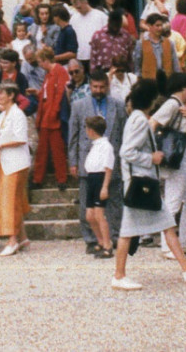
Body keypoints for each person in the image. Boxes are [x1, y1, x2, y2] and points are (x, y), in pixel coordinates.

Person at [111, 80, 186, 290]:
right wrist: (152, 157)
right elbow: (127, 152)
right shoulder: (139, 120)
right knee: (131, 230)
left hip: (141, 183)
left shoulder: (137, 118)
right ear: (151, 100)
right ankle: (119, 275)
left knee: (166, 224)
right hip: (140, 183)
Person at [151, 72, 186, 258]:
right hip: (176, 158)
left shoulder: (181, 106)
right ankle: (168, 246)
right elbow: (152, 123)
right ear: (184, 88)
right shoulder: (171, 104)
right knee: (173, 201)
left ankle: (184, 242)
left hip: (185, 157)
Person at [69, 69, 126, 254]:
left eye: (102, 87)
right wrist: (73, 161)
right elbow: (73, 135)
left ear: (107, 86)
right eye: (95, 87)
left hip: (111, 159)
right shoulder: (78, 106)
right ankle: (92, 239)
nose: (98, 90)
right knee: (87, 203)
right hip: (88, 161)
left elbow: (124, 133)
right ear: (89, 86)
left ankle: (114, 236)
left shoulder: (118, 105)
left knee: (115, 201)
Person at [0, 83, 32, 256]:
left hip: (16, 162)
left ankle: (12, 239)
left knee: (8, 200)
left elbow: (21, 139)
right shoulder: (2, 115)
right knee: (14, 199)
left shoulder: (18, 114)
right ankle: (22, 237)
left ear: (11, 95)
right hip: (4, 162)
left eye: (2, 94)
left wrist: (0, 146)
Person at [31, 48, 70, 188]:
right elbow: (47, 94)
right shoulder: (48, 75)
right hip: (46, 113)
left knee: (57, 149)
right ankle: (37, 179)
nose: (40, 65)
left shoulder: (59, 71)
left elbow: (60, 94)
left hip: (53, 115)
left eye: (41, 62)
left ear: (47, 60)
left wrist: (54, 113)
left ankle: (62, 179)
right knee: (42, 150)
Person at [82, 116, 116, 257]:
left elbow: (108, 167)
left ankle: (108, 245)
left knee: (99, 214)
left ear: (91, 130)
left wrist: (105, 187)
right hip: (91, 178)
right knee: (90, 216)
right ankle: (100, 241)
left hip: (100, 178)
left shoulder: (106, 146)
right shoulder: (95, 145)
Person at [68, 0, 108, 70]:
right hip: (80, 56)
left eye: (79, 7)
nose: (78, 10)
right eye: (76, 8)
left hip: (97, 56)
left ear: (86, 3)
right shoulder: (74, 18)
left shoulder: (100, 16)